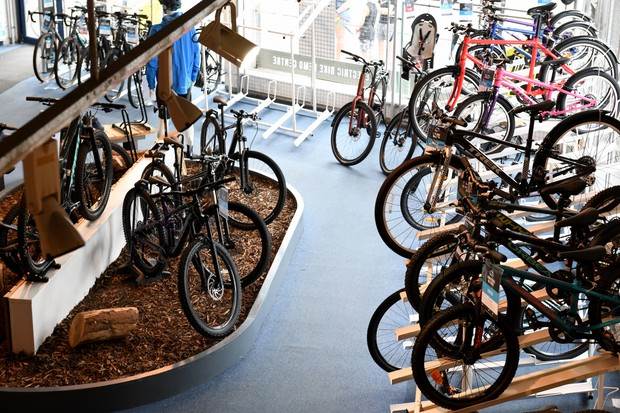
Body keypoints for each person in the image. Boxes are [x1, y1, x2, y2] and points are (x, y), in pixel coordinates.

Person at [146, 0, 200, 154]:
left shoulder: (157, 30)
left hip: (165, 85)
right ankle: (190, 150)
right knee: (186, 118)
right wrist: (193, 76)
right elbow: (196, 54)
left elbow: (152, 62)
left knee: (163, 118)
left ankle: (162, 153)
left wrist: (151, 84)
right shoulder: (189, 27)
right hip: (185, 82)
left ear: (164, 7)